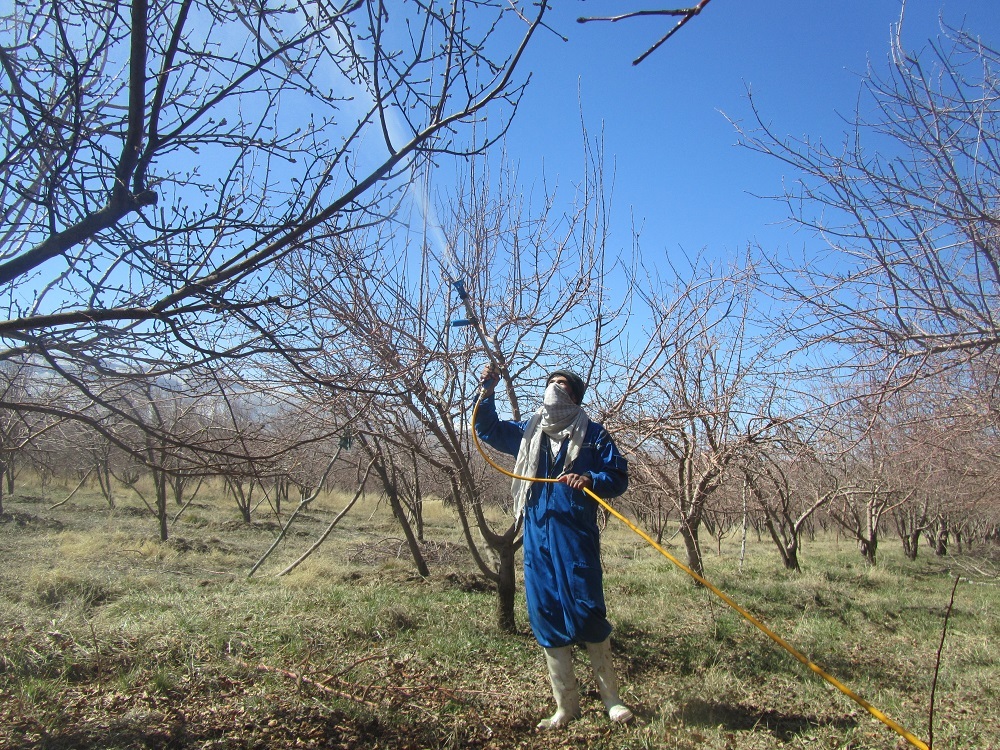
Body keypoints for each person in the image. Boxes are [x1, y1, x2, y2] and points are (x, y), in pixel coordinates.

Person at [474, 364, 633, 729]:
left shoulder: (594, 435)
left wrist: (590, 477)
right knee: (545, 612)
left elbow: (619, 476)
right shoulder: (530, 432)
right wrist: (487, 391)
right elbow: (488, 429)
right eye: (550, 384)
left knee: (587, 608)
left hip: (575, 537)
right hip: (537, 536)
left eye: (561, 385)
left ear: (574, 396)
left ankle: (612, 700)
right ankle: (566, 705)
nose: (553, 389)